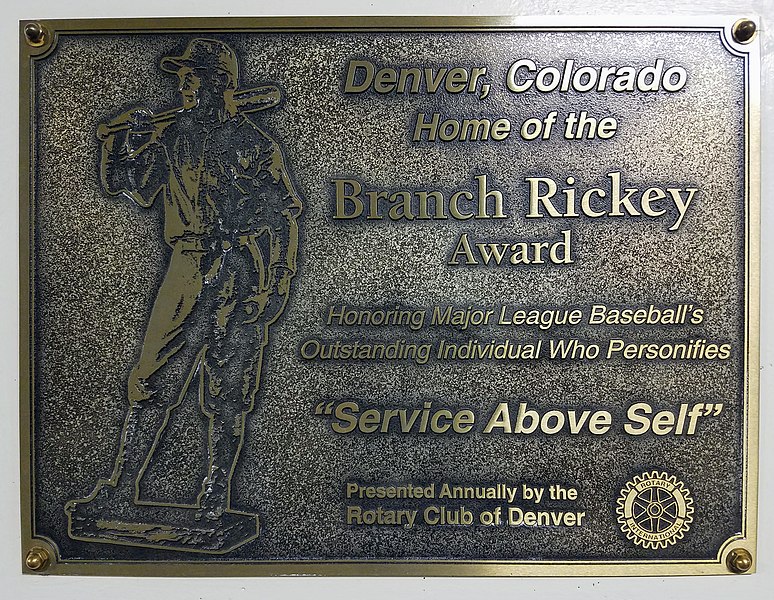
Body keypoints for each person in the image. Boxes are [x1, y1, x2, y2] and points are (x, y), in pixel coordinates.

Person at [78, 38, 302, 522]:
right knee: (151, 377)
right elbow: (128, 187)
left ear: (220, 80)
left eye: (191, 75)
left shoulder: (256, 143)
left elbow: (284, 214)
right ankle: (119, 487)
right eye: (180, 76)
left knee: (229, 387)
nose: (182, 85)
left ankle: (216, 497)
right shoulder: (171, 135)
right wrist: (125, 144)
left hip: (241, 268)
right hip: (186, 265)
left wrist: (279, 281)